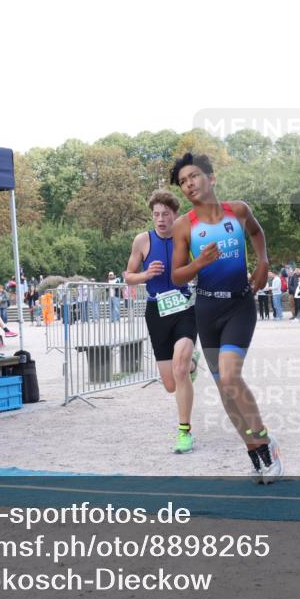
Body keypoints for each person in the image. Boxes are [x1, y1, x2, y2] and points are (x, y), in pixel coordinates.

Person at [169, 153, 282, 483]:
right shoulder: (183, 226)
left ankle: (265, 443)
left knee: (231, 378)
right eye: (183, 182)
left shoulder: (239, 211)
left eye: (193, 177)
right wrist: (199, 264)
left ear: (211, 177)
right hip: (207, 310)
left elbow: (258, 234)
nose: (189, 184)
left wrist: (262, 263)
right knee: (223, 389)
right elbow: (177, 276)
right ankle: (254, 454)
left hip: (239, 306)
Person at [124, 188, 200, 454]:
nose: (160, 219)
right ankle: (192, 362)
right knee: (170, 384)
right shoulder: (142, 241)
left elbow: (203, 266)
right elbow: (128, 275)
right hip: (156, 311)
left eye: (165, 214)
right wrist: (145, 274)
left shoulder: (188, 238)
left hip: (184, 308)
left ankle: (184, 432)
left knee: (179, 371)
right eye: (156, 214)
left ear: (175, 215)